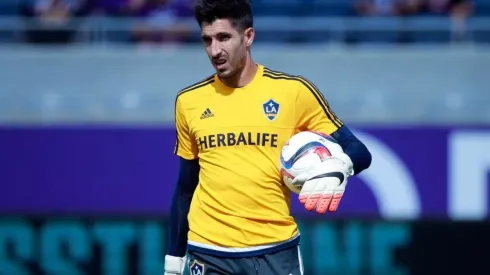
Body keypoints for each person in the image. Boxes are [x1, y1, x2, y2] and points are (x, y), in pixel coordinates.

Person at [164, 0, 372, 274]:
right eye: (207, 40)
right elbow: (185, 187)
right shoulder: (188, 101)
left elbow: (358, 151)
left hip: (275, 250)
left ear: (248, 36)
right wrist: (174, 261)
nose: (215, 50)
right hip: (208, 252)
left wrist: (339, 168)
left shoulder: (294, 92)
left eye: (224, 37)